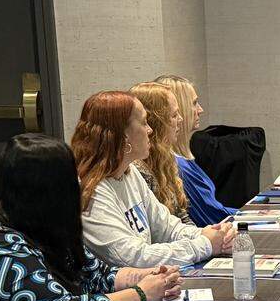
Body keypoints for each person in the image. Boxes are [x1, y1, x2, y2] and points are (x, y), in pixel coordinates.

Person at [0, 134, 182, 301]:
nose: (78, 185)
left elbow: (94, 274)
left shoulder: (37, 221)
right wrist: (140, 294)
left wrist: (146, 276)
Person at [71, 90, 235, 268]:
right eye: (143, 123)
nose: (150, 130)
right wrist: (205, 244)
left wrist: (209, 234)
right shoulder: (90, 191)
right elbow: (132, 257)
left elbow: (167, 228)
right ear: (122, 135)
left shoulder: (130, 172)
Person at [155, 74, 240, 227]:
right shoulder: (177, 167)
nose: (200, 110)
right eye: (194, 103)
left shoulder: (181, 160)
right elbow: (215, 217)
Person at [129, 82, 192, 224]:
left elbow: (181, 218)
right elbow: (159, 232)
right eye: (174, 115)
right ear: (157, 123)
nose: (181, 120)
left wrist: (205, 238)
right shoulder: (137, 170)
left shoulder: (166, 159)